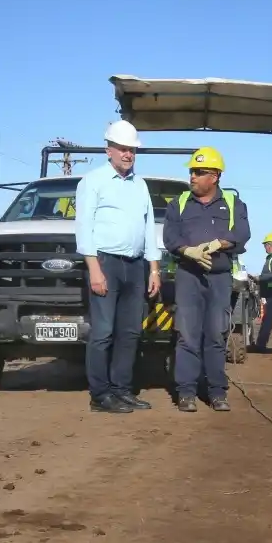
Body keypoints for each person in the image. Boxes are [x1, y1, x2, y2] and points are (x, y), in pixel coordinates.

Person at [74, 120, 161, 414]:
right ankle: (100, 396)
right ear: (108, 150)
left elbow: (149, 227)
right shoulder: (93, 181)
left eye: (132, 150)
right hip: (105, 263)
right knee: (103, 332)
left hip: (135, 266)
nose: (128, 154)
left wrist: (154, 269)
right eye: (123, 148)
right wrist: (94, 268)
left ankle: (122, 390)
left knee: (130, 332)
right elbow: (84, 227)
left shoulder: (140, 185)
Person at [162, 147, 251, 412]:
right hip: (188, 276)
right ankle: (186, 393)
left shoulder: (234, 204)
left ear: (214, 176)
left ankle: (217, 392)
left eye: (199, 172)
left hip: (219, 277)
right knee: (187, 335)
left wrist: (219, 243)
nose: (192, 176)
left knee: (215, 334)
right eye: (191, 171)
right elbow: (170, 237)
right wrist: (187, 251)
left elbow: (242, 233)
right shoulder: (178, 203)